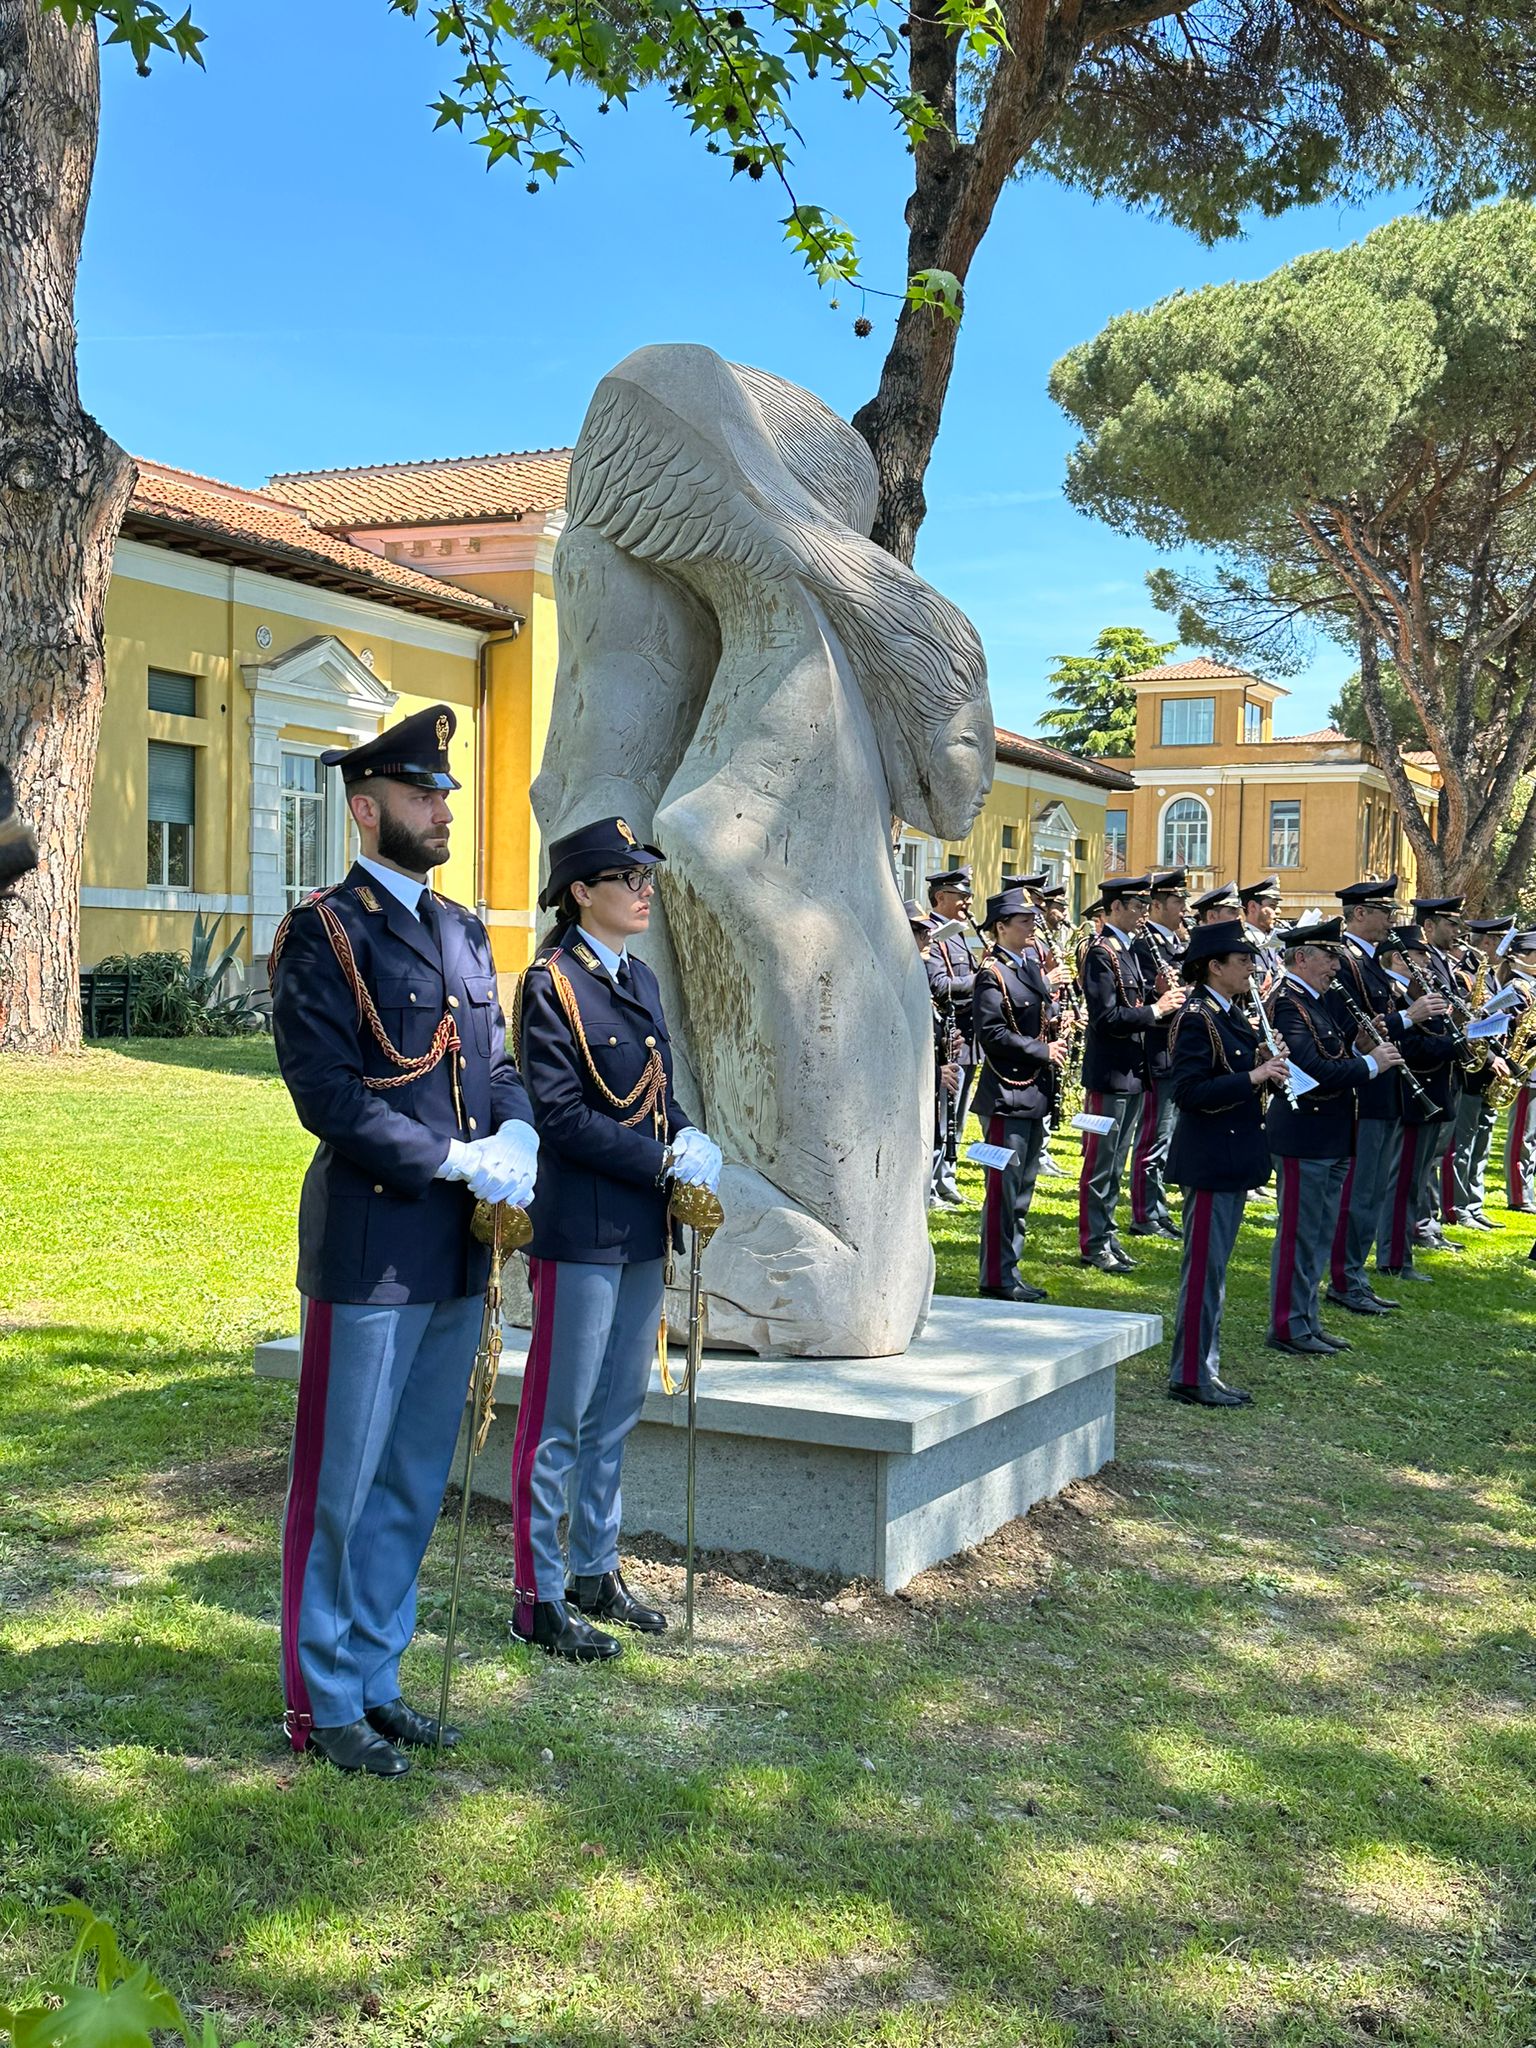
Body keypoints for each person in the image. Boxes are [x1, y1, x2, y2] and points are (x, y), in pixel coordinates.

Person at [270, 704, 540, 1776]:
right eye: (424, 795)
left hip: (456, 1249)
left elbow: (495, 1059)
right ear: (367, 806)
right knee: (339, 1479)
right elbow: (326, 1091)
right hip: (374, 1239)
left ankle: (376, 1676)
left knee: (414, 1475)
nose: (442, 810)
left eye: (445, 795)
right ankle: (319, 1700)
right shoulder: (323, 931)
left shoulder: (464, 929)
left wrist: (514, 1123)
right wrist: (448, 1157)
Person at [509, 817, 723, 1662]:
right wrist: (662, 1159)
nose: (643, 890)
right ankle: (536, 1592)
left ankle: (595, 1567)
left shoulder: (640, 981)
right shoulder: (550, 985)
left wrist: (688, 1137)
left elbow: (653, 1093)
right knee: (559, 1415)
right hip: (580, 1226)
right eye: (624, 877)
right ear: (579, 892)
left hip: (641, 1225)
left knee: (617, 1410)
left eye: (645, 878)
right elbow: (559, 1117)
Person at [1165, 920, 1290, 1407]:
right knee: (1203, 1273)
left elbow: (1236, 1072)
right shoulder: (1197, 1016)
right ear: (1214, 967)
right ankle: (1192, 1375)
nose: (1250, 969)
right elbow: (1189, 1092)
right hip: (1210, 1158)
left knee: (1214, 1273)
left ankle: (1204, 1368)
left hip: (1232, 1155)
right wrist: (1254, 1073)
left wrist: (1264, 1065)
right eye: (1241, 962)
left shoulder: (1231, 1014)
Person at [1265, 919, 1403, 1355]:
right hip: (1304, 1135)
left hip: (1331, 1135)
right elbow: (1312, 1070)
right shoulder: (1288, 1003)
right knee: (1299, 1235)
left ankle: (1307, 1319)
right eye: (1329, 957)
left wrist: (1360, 1046)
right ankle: (1288, 1326)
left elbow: (1332, 1054)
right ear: (1301, 957)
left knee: (1320, 1233)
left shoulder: (1316, 1001)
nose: (1336, 967)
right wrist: (1370, 1064)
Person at [1325, 876, 1446, 1316]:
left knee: (1373, 1190)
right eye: (1383, 911)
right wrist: (1409, 1018)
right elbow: (1356, 1030)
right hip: (1365, 1090)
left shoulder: (1368, 961)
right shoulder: (1344, 960)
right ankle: (1346, 1278)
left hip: (1385, 1087)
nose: (1391, 919)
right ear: (1359, 914)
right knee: (1360, 1192)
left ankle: (1355, 1274)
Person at [1078, 874, 1185, 1273]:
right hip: (1110, 1073)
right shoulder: (1101, 952)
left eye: (1145, 906)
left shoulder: (1126, 951)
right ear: (1115, 908)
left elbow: (1134, 1006)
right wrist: (1156, 1009)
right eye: (1136, 906)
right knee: (1101, 1162)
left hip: (1134, 1071)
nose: (1143, 913)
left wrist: (1158, 998)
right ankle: (1092, 1242)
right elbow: (1106, 1017)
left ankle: (1106, 1234)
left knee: (1119, 1160)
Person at [972, 888, 1065, 1302]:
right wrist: (1040, 1050)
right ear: (1001, 927)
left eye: (1032, 919)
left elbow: (1037, 1015)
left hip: (1032, 1091)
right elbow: (991, 1033)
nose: (1033, 926)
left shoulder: (1027, 965)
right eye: (1024, 920)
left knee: (1022, 1191)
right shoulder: (991, 973)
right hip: (1006, 1094)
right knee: (1003, 1192)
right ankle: (996, 1276)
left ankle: (1011, 1269)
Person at [1373, 926, 1464, 1283]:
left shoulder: (1418, 990)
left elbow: (1439, 1034)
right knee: (1403, 1182)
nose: (1428, 964)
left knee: (1415, 1178)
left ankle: (1400, 1252)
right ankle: (1394, 1258)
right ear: (1399, 957)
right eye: (1422, 956)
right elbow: (1407, 1049)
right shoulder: (1390, 993)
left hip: (1434, 1094)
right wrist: (1454, 1045)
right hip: (1410, 1098)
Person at [1129, 869, 1187, 1239]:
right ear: (1156, 905)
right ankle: (1144, 1212)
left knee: (1167, 1137)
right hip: (1157, 1053)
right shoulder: (1144, 945)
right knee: (1153, 1138)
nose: (1184, 908)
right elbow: (1155, 999)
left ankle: (1158, 1207)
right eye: (1178, 901)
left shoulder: (1174, 943)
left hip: (1176, 1050)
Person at [1448, 916, 1514, 1229]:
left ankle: (1474, 1205)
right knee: (1462, 1145)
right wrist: (1489, 1059)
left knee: (1482, 1141)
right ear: (1487, 943)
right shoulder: (1465, 977)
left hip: (1491, 1071)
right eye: (1503, 941)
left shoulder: (1493, 977)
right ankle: (1459, 1208)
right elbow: (1466, 1026)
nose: (1508, 950)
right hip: (1471, 1070)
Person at [925, 867, 979, 1204]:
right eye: (960, 896)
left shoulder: (958, 933)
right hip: (945, 1037)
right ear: (940, 897)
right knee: (941, 1115)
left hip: (966, 1036)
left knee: (957, 1114)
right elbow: (940, 986)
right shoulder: (932, 934)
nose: (967, 902)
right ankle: (931, 1183)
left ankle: (947, 1176)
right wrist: (983, 978)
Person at [1500, 933, 1536, 1214]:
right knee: (1522, 1138)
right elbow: (1512, 1027)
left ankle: (1528, 1190)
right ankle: (1518, 1195)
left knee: (1532, 1138)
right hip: (1526, 1072)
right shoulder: (1517, 986)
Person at [1239, 878, 1285, 990]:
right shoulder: (1242, 941)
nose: (1279, 911)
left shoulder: (1276, 941)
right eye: (1272, 906)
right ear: (1253, 907)